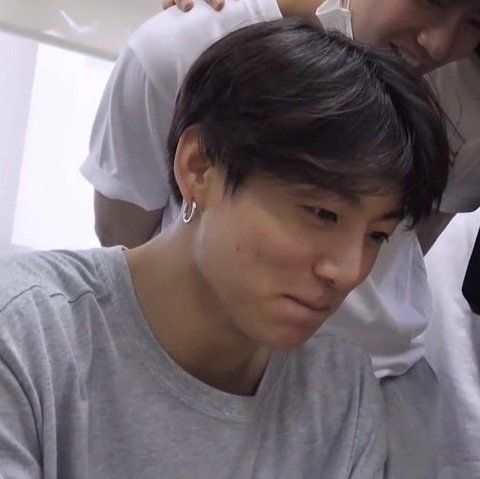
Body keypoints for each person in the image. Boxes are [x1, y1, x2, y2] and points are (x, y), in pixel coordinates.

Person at [0, 19, 450, 478]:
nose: (349, 270)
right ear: (199, 167)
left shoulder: (339, 388)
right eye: (322, 214)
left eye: (377, 236)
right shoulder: (27, 334)